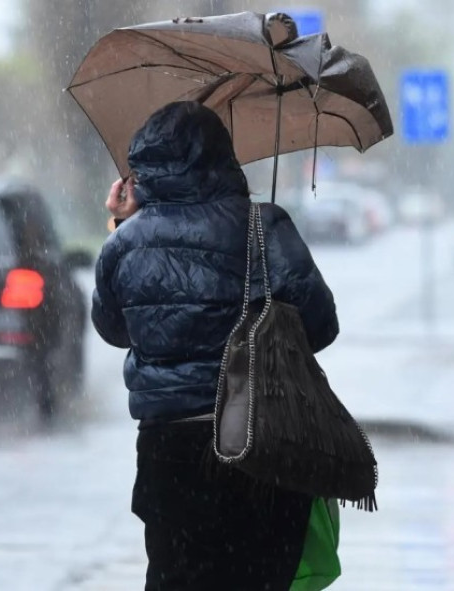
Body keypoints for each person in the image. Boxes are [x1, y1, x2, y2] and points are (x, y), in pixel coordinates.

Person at [91, 101, 340, 591]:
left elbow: (115, 328)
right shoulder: (263, 226)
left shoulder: (124, 245)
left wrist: (123, 227)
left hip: (170, 453)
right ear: (223, 158)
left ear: (141, 172)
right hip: (263, 443)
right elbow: (322, 325)